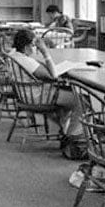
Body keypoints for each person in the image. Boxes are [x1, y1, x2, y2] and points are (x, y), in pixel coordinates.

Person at [6, 28, 84, 157]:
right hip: (39, 97)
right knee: (82, 101)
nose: (35, 49)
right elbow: (53, 75)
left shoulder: (14, 55)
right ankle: (72, 139)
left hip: (27, 95)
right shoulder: (26, 61)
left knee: (68, 97)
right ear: (26, 47)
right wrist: (45, 52)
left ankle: (63, 131)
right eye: (33, 46)